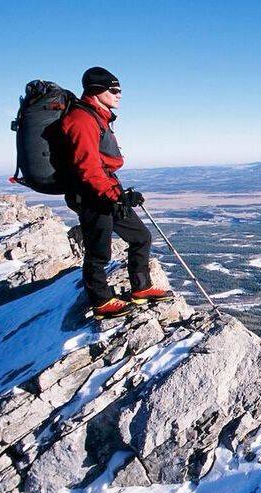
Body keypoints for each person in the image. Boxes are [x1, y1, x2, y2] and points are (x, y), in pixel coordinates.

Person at [60, 66, 172, 319]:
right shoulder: (81, 119)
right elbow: (87, 168)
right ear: (97, 90)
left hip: (107, 189)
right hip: (90, 194)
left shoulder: (98, 117)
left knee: (141, 236)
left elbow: (99, 164)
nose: (119, 94)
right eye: (114, 89)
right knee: (99, 250)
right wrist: (116, 195)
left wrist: (120, 194)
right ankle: (100, 302)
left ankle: (141, 288)